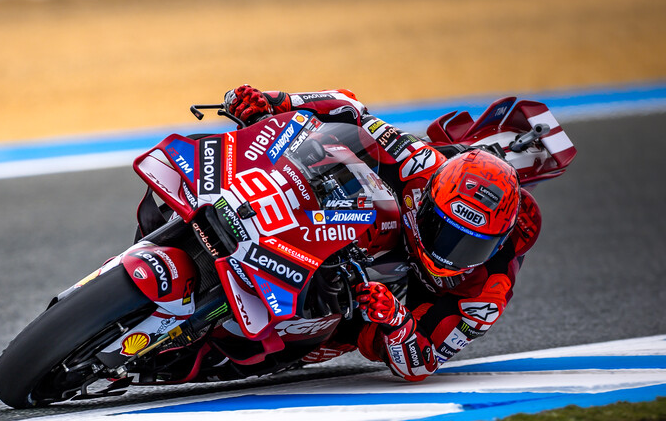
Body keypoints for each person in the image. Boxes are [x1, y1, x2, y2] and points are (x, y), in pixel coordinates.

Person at [223, 84, 543, 382]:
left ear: (499, 243)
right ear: (428, 201)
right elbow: (351, 109)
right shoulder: (420, 163)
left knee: (311, 336)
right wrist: (277, 102)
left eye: (471, 246)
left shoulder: (489, 291)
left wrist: (396, 321)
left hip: (376, 300)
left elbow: (423, 362)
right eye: (442, 230)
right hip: (352, 215)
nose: (447, 252)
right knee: (319, 147)